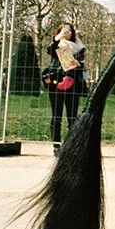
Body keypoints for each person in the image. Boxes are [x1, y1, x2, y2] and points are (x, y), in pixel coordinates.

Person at [44, 22, 86, 156]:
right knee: (56, 115)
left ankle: (71, 145)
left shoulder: (79, 47)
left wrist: (77, 64)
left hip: (73, 83)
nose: (66, 32)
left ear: (73, 32)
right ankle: (56, 145)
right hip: (55, 82)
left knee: (72, 116)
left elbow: (79, 64)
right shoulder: (56, 44)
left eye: (69, 30)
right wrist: (57, 39)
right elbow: (49, 50)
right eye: (63, 30)